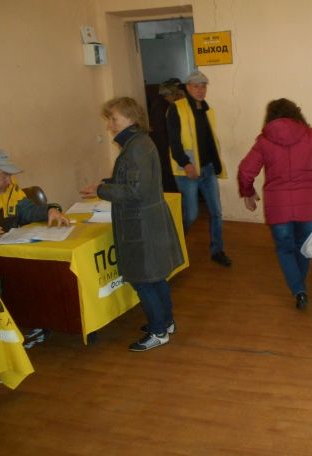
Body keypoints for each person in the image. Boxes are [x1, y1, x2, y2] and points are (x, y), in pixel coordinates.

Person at [80, 97, 184, 352]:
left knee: (143, 280)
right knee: (156, 278)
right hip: (146, 221)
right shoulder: (139, 143)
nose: (110, 125)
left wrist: (102, 190)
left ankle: (159, 332)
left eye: (113, 119)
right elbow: (134, 181)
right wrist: (104, 184)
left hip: (140, 224)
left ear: (131, 118)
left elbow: (135, 191)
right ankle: (166, 322)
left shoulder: (136, 147)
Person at [237, 98, 312, 310]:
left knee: (285, 249)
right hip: (306, 205)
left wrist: (248, 192)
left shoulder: (264, 140)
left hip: (278, 206)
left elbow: (245, 171)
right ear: (295, 113)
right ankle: (300, 288)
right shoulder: (311, 136)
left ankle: (298, 290)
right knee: (303, 247)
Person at [166, 70, 231, 267]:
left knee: (216, 212)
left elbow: (209, 140)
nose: (201, 90)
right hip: (187, 171)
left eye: (203, 86)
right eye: (196, 86)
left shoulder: (208, 109)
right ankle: (174, 248)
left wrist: (216, 164)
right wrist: (186, 164)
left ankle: (217, 250)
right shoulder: (176, 109)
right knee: (192, 214)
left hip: (208, 169)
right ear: (187, 87)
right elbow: (174, 143)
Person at [0, 149, 70, 235]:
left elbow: (27, 211)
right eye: (4, 177)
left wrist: (49, 210)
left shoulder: (11, 189)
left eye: (10, 176)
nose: (9, 181)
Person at [149, 81, 182, 193]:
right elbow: (161, 131)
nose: (176, 97)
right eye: (175, 94)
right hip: (163, 148)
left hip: (160, 147)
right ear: (169, 94)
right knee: (168, 176)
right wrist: (169, 148)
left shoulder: (158, 104)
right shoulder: (163, 107)